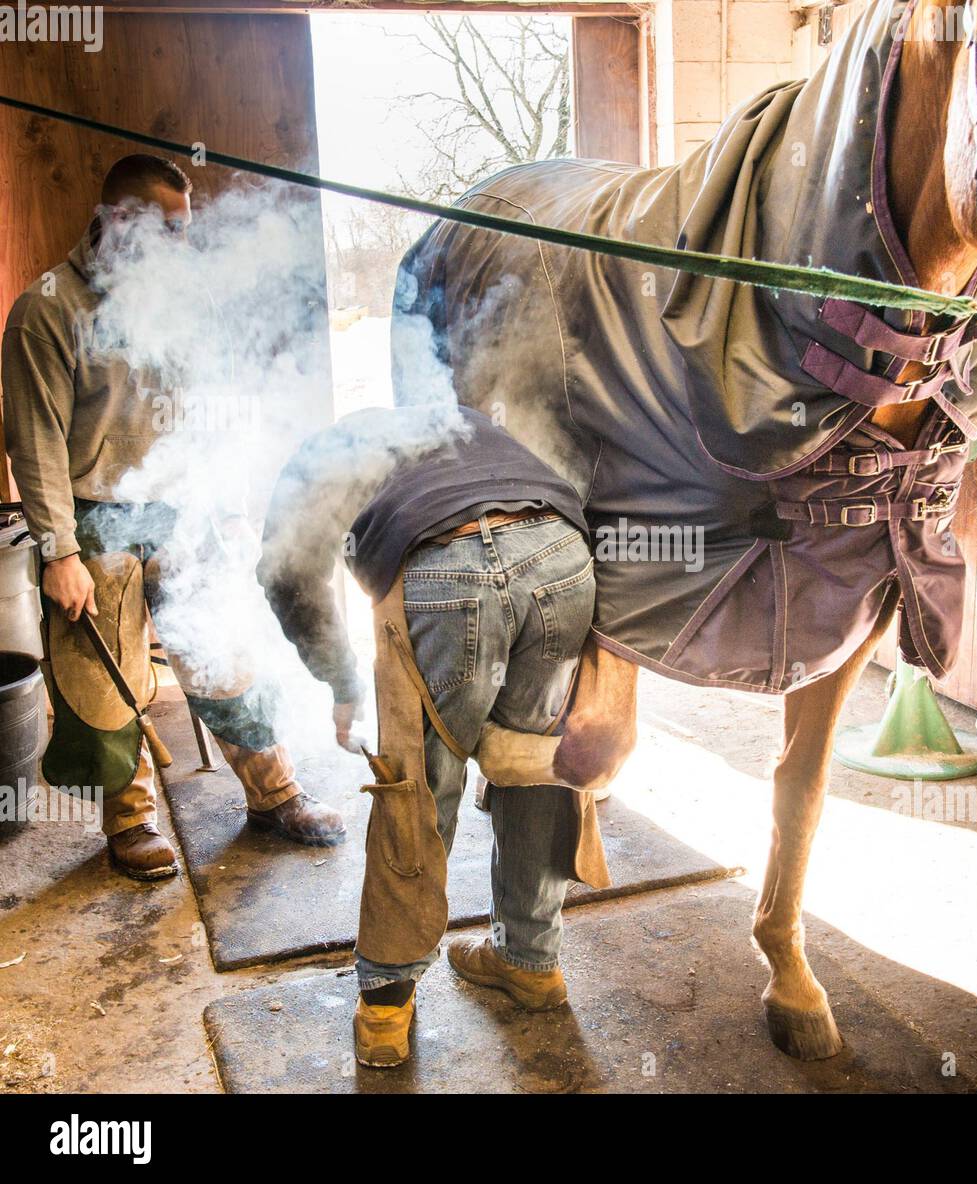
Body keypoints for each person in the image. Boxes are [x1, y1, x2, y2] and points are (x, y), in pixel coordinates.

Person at [1, 154, 344, 881]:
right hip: (93, 517)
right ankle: (131, 821)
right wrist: (60, 552)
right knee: (108, 680)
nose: (185, 247)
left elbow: (213, 411)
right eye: (174, 231)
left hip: (185, 508)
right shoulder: (48, 309)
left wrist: (227, 506)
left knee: (225, 657)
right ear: (122, 223)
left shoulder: (184, 299)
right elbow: (33, 443)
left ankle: (274, 791)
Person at [257, 403, 609, 1068]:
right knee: (532, 764)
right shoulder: (465, 419)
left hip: (448, 578)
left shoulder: (313, 457)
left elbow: (288, 576)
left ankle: (386, 1006)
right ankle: (530, 961)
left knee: (416, 788)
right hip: (563, 557)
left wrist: (342, 685)